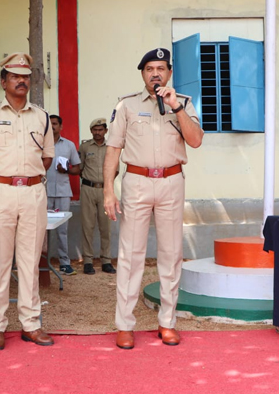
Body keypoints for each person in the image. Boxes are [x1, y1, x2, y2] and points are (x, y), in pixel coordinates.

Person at [103, 48, 204, 349]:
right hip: (136, 181)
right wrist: (109, 189)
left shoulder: (183, 103)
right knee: (131, 255)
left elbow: (196, 141)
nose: (155, 73)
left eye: (161, 68)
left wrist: (176, 108)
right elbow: (113, 149)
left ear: (169, 72)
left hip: (172, 181)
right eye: (149, 69)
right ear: (143, 74)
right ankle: (124, 324)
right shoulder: (127, 106)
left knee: (171, 255)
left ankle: (167, 322)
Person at [0, 52, 55, 351]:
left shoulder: (41, 117)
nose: (21, 80)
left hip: (32, 192)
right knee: (0, 263)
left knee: (30, 262)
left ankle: (31, 325)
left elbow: (47, 157)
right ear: (3, 81)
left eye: (25, 76)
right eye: (15, 76)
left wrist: (27, 180)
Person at [78, 118, 116, 275]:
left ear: (106, 131)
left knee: (105, 227)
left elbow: (116, 169)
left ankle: (106, 260)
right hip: (88, 188)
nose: (97, 132)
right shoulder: (85, 147)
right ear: (91, 131)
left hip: (105, 190)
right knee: (87, 226)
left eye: (100, 129)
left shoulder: (111, 148)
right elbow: (80, 167)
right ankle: (88, 261)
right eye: (95, 129)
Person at [45, 115, 81, 276]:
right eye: (49, 124)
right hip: (42, 193)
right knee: (39, 229)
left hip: (62, 193)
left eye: (54, 124)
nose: (52, 126)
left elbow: (77, 169)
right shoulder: (39, 145)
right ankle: (39, 262)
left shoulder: (69, 146)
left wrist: (65, 169)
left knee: (62, 230)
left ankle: (64, 263)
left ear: (60, 127)